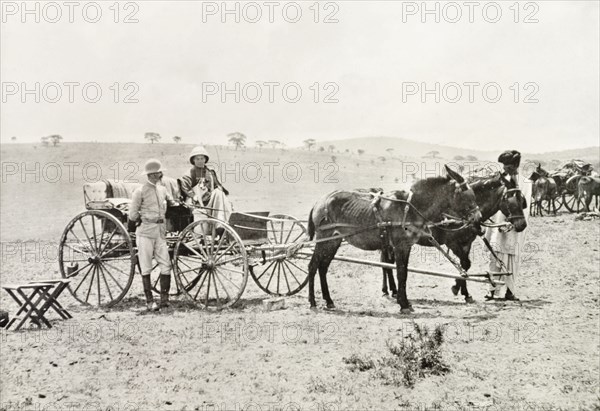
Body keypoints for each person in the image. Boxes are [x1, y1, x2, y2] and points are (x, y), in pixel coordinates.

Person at [129, 159, 176, 311]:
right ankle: (149, 301)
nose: (157, 176)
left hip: (160, 232)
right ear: (148, 175)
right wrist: (139, 221)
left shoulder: (162, 190)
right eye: (153, 174)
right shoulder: (140, 191)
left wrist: (179, 203)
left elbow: (171, 202)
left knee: (166, 265)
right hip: (145, 233)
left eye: (159, 173)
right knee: (146, 266)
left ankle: (164, 300)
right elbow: (133, 214)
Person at [485, 150, 531, 301]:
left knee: (511, 258)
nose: (505, 169)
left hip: (515, 224)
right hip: (497, 223)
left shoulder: (525, 183)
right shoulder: (499, 180)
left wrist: (511, 224)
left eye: (509, 166)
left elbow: (525, 207)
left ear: (516, 166)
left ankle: (510, 292)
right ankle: (492, 291)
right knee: (495, 256)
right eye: (504, 166)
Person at [180, 146, 233, 223]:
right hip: (198, 202)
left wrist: (222, 192)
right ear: (193, 160)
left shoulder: (210, 172)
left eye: (202, 158)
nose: (200, 161)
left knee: (219, 194)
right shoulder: (190, 173)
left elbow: (217, 185)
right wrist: (194, 196)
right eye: (197, 159)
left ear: (205, 159)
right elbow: (185, 187)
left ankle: (222, 220)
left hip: (211, 200)